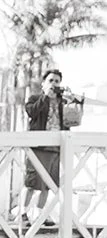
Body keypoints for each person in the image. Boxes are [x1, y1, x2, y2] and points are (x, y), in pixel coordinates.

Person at [21, 67, 78, 225]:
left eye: (57, 81)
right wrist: (46, 97)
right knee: (31, 183)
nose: (54, 83)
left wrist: (72, 101)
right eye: (51, 80)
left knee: (47, 185)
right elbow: (32, 112)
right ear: (43, 84)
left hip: (54, 148)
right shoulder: (34, 98)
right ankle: (23, 214)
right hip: (37, 147)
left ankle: (40, 215)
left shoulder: (63, 103)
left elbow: (72, 121)